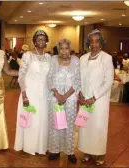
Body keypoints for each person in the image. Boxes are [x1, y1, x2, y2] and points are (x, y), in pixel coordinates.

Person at [78, 29, 114, 166]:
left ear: (101, 43)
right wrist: (80, 94)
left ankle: (100, 153)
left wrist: (94, 97)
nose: (94, 44)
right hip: (84, 100)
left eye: (97, 41)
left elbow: (109, 81)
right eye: (91, 41)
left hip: (99, 100)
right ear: (88, 43)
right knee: (86, 126)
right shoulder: (83, 58)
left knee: (99, 127)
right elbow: (80, 78)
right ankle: (87, 151)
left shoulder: (106, 58)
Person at [14, 30, 51, 155]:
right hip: (30, 92)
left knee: (43, 119)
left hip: (44, 93)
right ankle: (29, 146)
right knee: (32, 120)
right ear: (34, 41)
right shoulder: (27, 55)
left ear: (46, 42)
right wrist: (24, 95)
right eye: (38, 39)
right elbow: (21, 76)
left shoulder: (48, 57)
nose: (41, 41)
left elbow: (50, 77)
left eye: (43, 39)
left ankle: (41, 146)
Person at [47, 39, 80, 163]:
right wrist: (57, 94)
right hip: (55, 97)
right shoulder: (53, 60)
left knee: (69, 125)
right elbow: (49, 78)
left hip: (70, 98)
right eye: (62, 48)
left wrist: (65, 96)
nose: (64, 51)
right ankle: (55, 150)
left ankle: (70, 152)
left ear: (70, 49)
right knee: (56, 124)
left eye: (67, 48)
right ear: (58, 49)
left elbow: (77, 80)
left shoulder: (76, 61)